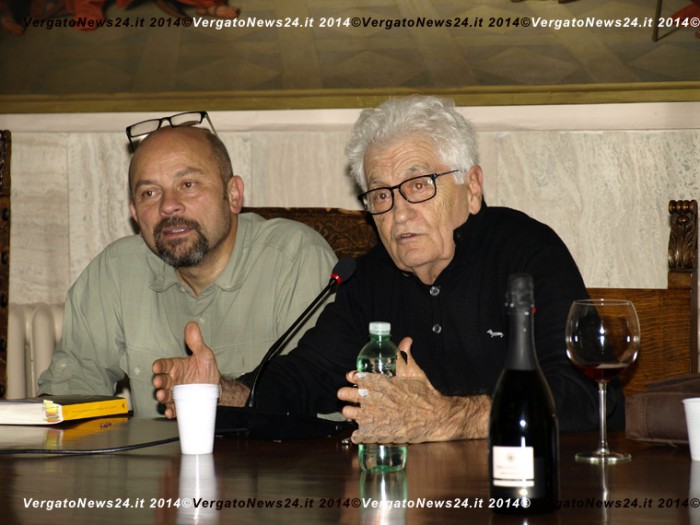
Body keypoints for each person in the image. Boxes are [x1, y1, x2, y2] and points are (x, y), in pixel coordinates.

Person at [152, 96, 623, 442]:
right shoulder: (370, 277)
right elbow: (308, 377)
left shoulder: (527, 253)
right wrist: (221, 393)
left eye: (418, 185)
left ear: (473, 187)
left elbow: (588, 397)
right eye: (381, 195)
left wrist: (446, 417)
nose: (398, 213)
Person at [37, 115, 337, 418]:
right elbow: (67, 396)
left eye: (188, 184)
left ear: (233, 195)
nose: (168, 205)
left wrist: (224, 393)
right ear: (135, 214)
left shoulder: (294, 260)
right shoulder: (115, 272)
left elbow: (326, 403)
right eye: (149, 193)